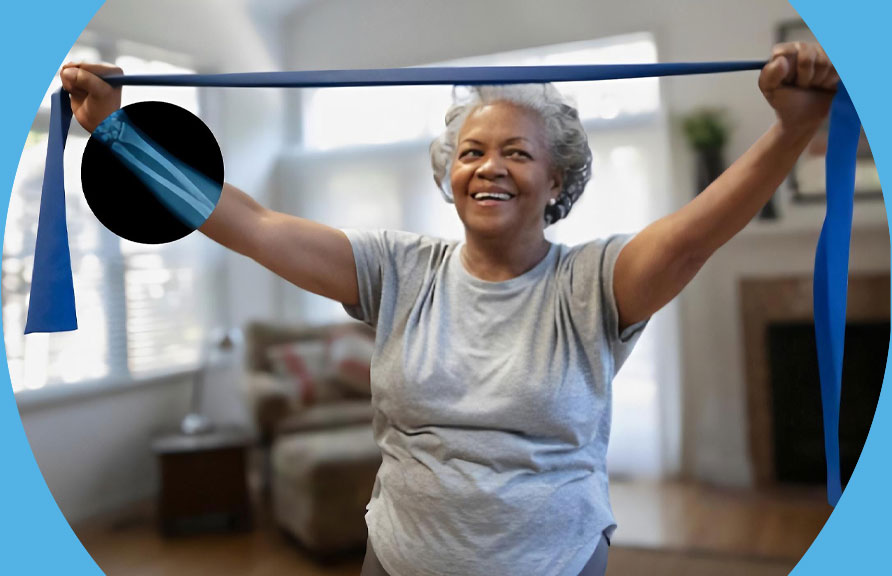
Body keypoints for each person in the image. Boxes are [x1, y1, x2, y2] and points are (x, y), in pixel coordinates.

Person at [59, 41, 837, 576]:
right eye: (471, 151)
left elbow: (693, 238)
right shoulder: (398, 269)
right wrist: (119, 130)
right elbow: (254, 226)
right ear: (448, 174)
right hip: (397, 561)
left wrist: (792, 129)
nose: (488, 167)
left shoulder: (593, 283)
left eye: (516, 152)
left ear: (558, 182)